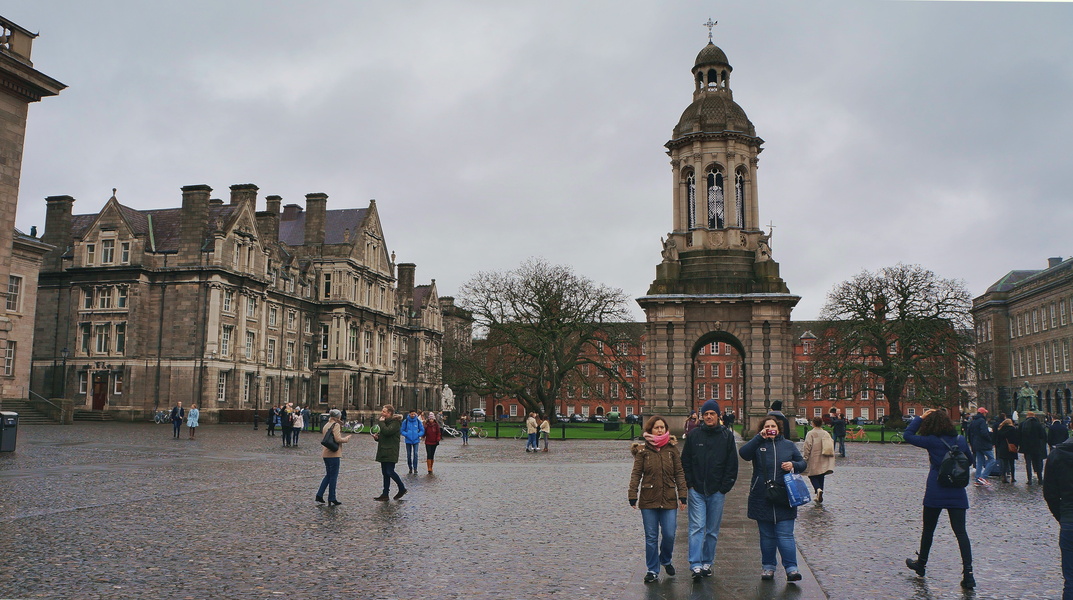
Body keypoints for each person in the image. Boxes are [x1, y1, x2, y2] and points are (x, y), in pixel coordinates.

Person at [903, 409, 975, 589]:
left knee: (928, 530)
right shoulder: (959, 440)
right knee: (961, 533)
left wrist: (920, 417)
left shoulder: (932, 441)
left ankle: (922, 564)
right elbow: (970, 460)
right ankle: (969, 574)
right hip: (957, 490)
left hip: (936, 488)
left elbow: (908, 435)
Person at [739, 416, 806, 582]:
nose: (770, 428)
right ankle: (768, 567)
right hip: (762, 495)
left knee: (785, 534)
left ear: (779, 429)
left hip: (784, 495)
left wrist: (793, 465)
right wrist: (758, 438)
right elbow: (744, 454)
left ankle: (792, 569)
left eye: (773, 426)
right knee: (767, 535)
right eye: (767, 426)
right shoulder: (758, 444)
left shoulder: (789, 445)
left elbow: (802, 463)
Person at [681, 399, 738, 580]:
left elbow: (732, 464)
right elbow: (686, 462)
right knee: (697, 527)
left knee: (712, 530)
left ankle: (707, 562)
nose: (708, 416)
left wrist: (724, 487)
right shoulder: (694, 436)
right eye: (705, 414)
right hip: (696, 489)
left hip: (717, 490)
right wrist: (689, 484)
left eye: (712, 413)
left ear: (718, 415)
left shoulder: (726, 436)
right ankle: (695, 564)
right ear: (701, 416)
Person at [629, 415, 688, 584]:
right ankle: (652, 569)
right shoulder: (643, 451)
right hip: (648, 499)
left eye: (662, 427)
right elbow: (636, 475)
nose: (660, 430)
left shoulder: (672, 450)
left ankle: (666, 559)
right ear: (650, 430)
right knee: (651, 537)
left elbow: (679, 473)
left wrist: (682, 494)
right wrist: (632, 494)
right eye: (657, 427)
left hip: (669, 498)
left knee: (669, 534)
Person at [1044, 434, 1073, 600]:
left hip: (1069, 519)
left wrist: (1062, 517)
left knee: (1070, 580)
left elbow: (1050, 493)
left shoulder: (1057, 454)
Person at [316, 409, 352, 506]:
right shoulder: (335, 425)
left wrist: (339, 423)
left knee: (328, 475)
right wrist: (347, 439)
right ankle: (332, 497)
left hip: (326, 453)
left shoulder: (327, 424)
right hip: (333, 453)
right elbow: (338, 439)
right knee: (333, 477)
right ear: (338, 417)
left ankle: (319, 494)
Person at [373, 405, 407, 501]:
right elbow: (385, 435)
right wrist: (378, 438)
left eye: (384, 412)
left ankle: (402, 488)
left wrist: (381, 423)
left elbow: (388, 432)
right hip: (383, 450)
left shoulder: (395, 423)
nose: (382, 413)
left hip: (391, 451)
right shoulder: (386, 423)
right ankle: (385, 493)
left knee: (390, 471)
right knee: (385, 473)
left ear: (389, 413)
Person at [801, 416, 836, 503]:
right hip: (824, 456)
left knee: (812, 475)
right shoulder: (826, 433)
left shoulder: (810, 433)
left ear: (813, 423)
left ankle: (818, 489)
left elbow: (807, 446)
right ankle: (820, 493)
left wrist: (805, 457)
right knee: (821, 475)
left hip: (814, 456)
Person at [967, 407, 997, 487]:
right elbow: (984, 432)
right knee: (992, 460)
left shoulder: (973, 421)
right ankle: (983, 477)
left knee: (980, 461)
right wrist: (990, 440)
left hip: (976, 444)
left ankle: (977, 479)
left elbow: (969, 433)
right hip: (984, 444)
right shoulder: (982, 421)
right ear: (983, 413)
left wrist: (972, 443)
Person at [1020, 411, 1049, 485]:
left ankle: (1029, 479)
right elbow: (1042, 436)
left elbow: (1018, 436)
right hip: (1036, 446)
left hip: (1026, 447)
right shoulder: (1038, 424)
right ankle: (1040, 479)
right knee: (1038, 462)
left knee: (1028, 463)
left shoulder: (1022, 424)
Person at [994, 418, 1020, 483]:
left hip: (1003, 448)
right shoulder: (1013, 429)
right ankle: (1013, 477)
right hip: (1011, 447)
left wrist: (999, 447)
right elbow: (1016, 439)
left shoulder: (1000, 430)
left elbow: (997, 440)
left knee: (1004, 464)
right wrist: (1016, 446)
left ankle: (1003, 477)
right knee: (1012, 464)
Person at [401, 409, 425, 474]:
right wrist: (406, 434)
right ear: (409, 414)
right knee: (409, 455)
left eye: (414, 414)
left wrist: (418, 435)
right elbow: (402, 430)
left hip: (416, 440)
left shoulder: (418, 421)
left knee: (415, 454)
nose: (413, 415)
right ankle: (410, 467)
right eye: (412, 414)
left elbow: (422, 430)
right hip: (408, 440)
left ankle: (415, 468)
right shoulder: (405, 421)